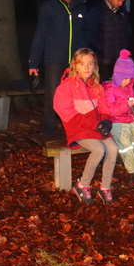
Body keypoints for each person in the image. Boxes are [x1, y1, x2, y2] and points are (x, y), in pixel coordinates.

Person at [53, 48, 118, 204]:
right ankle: (83, 185)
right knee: (99, 149)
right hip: (78, 129)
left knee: (113, 148)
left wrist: (106, 121)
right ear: (75, 66)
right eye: (82, 64)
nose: (87, 67)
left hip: (95, 128)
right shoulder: (66, 87)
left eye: (90, 64)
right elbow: (68, 114)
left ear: (95, 66)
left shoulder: (96, 87)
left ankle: (105, 187)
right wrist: (96, 124)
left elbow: (103, 109)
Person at [29, 0, 89, 133]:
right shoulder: (49, 7)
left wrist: (86, 59)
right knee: (53, 97)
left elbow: (86, 35)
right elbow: (40, 35)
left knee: (75, 97)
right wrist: (34, 63)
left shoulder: (82, 8)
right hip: (54, 60)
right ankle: (49, 130)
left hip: (76, 62)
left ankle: (73, 128)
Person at [102, 49, 134, 186]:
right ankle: (133, 171)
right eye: (124, 78)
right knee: (125, 143)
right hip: (116, 123)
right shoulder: (109, 89)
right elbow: (111, 110)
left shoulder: (128, 88)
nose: (127, 81)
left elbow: (132, 108)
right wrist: (127, 105)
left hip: (130, 121)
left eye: (130, 78)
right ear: (117, 75)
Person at [87, 0, 132, 80]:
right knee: (103, 86)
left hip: (120, 61)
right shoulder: (96, 11)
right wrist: (100, 50)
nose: (120, 4)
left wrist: (124, 50)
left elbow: (127, 32)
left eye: (123, 1)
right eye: (118, 0)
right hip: (103, 61)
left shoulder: (122, 12)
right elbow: (90, 34)